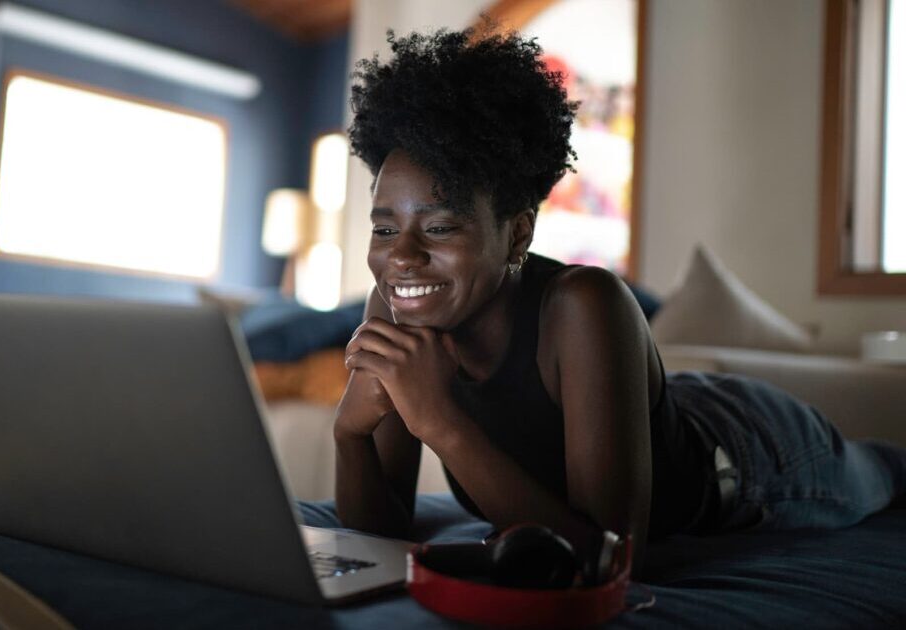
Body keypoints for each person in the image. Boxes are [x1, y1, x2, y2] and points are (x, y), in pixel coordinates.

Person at [331, 27, 906, 576]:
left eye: (439, 228)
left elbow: (611, 560)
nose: (402, 257)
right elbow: (379, 533)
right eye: (384, 230)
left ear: (518, 235)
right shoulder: (399, 308)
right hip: (659, 410)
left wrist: (440, 422)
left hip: (753, 454)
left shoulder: (583, 305)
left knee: (887, 471)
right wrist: (349, 435)